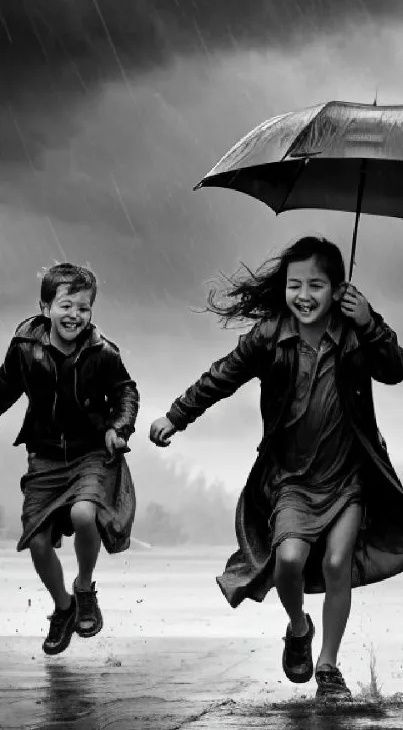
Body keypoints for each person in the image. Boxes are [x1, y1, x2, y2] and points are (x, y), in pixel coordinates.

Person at [149, 235, 403, 701]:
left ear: (338, 289)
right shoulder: (271, 335)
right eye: (294, 285)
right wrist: (176, 415)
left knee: (335, 562)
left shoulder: (354, 333)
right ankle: (298, 625)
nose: (304, 295)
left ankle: (328, 667)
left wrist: (370, 323)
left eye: (316, 285)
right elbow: (221, 376)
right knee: (288, 561)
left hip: (347, 477)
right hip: (290, 481)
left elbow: (395, 368)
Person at [0, 263, 139, 655]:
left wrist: (119, 428)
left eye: (84, 307)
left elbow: (126, 392)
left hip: (91, 453)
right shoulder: (24, 346)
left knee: (83, 514)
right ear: (46, 307)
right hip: (44, 456)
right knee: (38, 542)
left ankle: (84, 586)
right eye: (66, 305)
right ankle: (64, 607)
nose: (75, 315)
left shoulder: (102, 352)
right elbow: (5, 387)